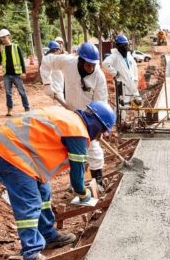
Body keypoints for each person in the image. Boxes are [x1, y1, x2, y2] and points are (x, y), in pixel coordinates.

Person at [0, 101, 115, 260]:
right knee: (30, 202)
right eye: (102, 131)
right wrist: (84, 194)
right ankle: (31, 254)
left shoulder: (72, 120)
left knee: (44, 193)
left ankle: (47, 234)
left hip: (24, 150)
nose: (100, 136)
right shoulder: (77, 133)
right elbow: (77, 179)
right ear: (97, 125)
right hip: (12, 151)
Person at [40, 42, 109, 189]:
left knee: (94, 150)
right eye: (87, 65)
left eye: (93, 65)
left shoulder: (99, 76)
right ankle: (77, 183)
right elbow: (47, 61)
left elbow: (101, 103)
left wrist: (100, 127)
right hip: (71, 114)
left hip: (89, 118)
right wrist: (47, 84)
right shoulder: (68, 62)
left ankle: (98, 181)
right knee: (75, 150)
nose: (90, 68)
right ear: (80, 60)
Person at [0, 28, 30, 116]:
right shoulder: (1, 49)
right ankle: (9, 111)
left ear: (8, 36)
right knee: (8, 93)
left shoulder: (16, 46)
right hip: (7, 74)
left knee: (22, 92)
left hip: (17, 74)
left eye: (4, 37)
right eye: (1, 38)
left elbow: (21, 59)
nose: (3, 39)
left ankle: (27, 109)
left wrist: (23, 72)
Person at [102, 34, 140, 110]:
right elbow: (105, 63)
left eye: (126, 44)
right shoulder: (114, 56)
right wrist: (115, 72)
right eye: (122, 45)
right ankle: (121, 121)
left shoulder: (129, 56)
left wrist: (136, 79)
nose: (125, 47)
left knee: (137, 104)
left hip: (132, 83)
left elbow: (134, 68)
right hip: (122, 85)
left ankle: (137, 120)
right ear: (118, 46)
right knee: (122, 106)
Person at [44, 40, 65, 105]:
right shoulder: (55, 58)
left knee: (58, 104)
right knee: (60, 106)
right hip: (56, 87)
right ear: (57, 50)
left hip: (54, 87)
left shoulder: (46, 58)